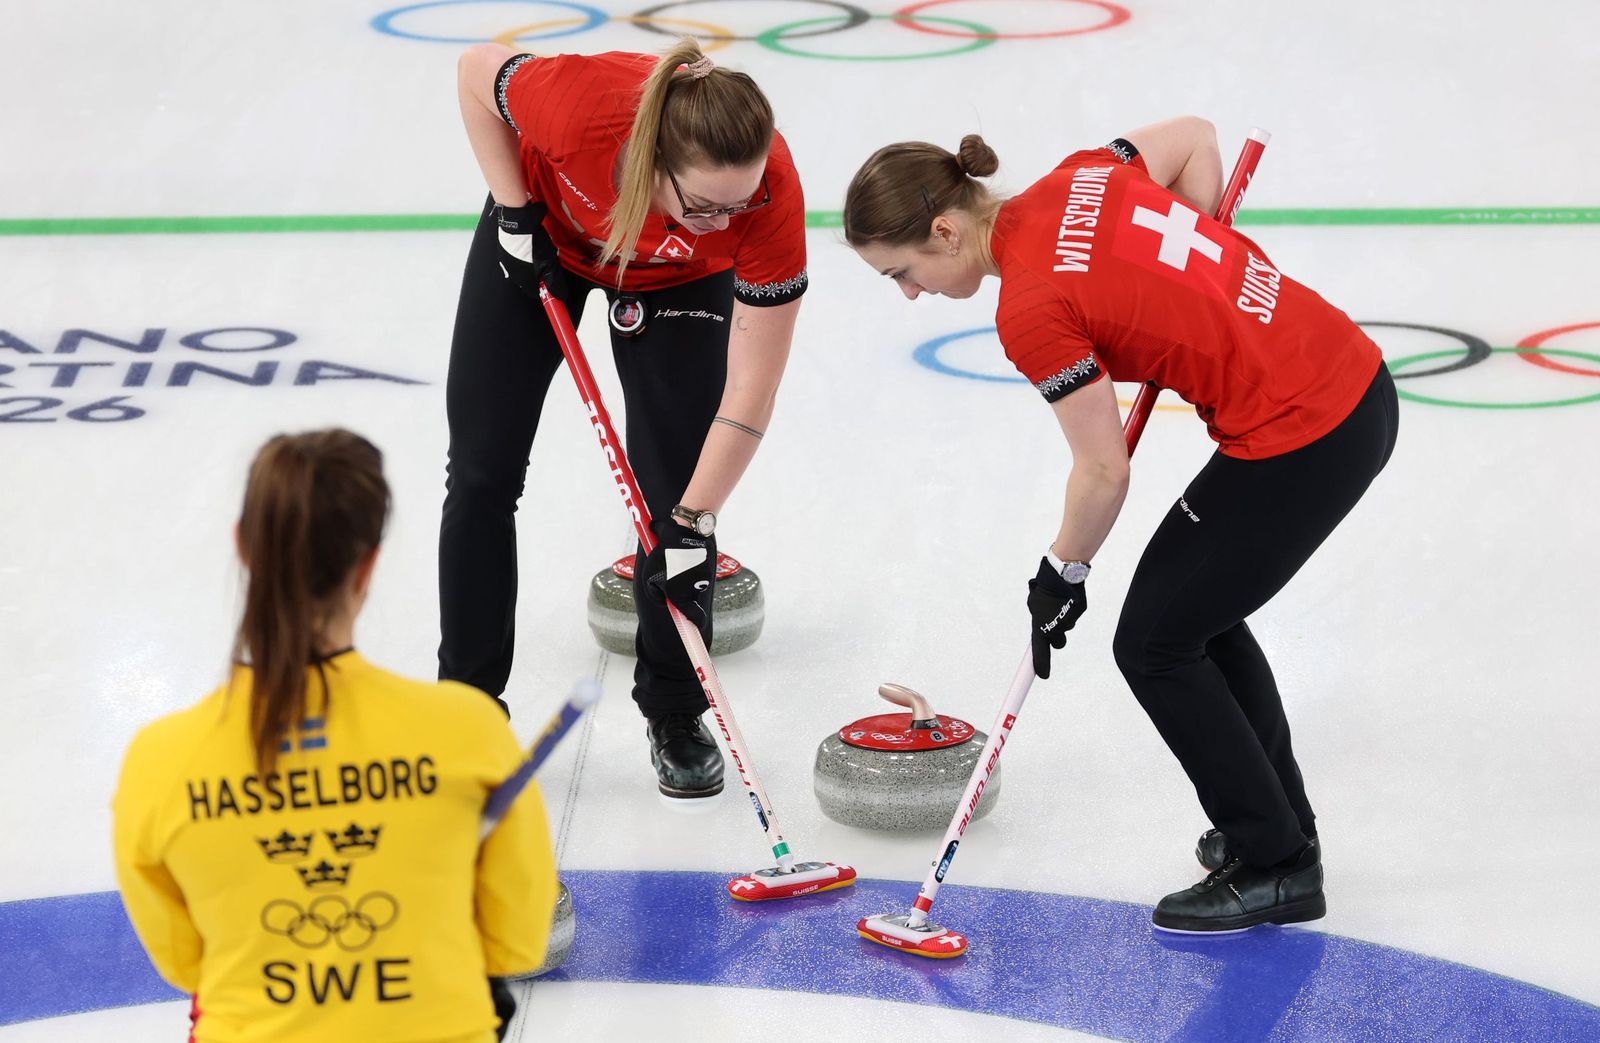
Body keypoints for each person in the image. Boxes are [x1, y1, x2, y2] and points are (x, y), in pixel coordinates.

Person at [842, 118, 1398, 932]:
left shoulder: (1030, 308)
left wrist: (1061, 572)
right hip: (1344, 379)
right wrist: (1198, 256)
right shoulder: (1079, 176)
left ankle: (1279, 863)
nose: (910, 293)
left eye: (905, 271)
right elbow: (1192, 137)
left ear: (946, 230)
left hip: (1306, 430)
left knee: (1156, 641)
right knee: (1193, 620)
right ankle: (1277, 829)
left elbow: (1103, 472)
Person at [444, 38, 807, 799]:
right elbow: (478, 71)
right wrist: (515, 210)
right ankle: (467, 711)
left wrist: (696, 516)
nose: (724, 220)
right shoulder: (581, 108)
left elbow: (752, 392)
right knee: (482, 472)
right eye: (706, 205)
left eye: (738, 204)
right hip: (548, 238)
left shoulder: (770, 198)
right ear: (654, 164)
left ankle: (676, 708)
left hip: (681, 281)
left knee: (678, 497)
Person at [113, 430, 556, 1042]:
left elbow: (186, 962)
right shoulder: (467, 732)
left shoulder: (160, 763)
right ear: (368, 563)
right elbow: (516, 939)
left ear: (244, 548)